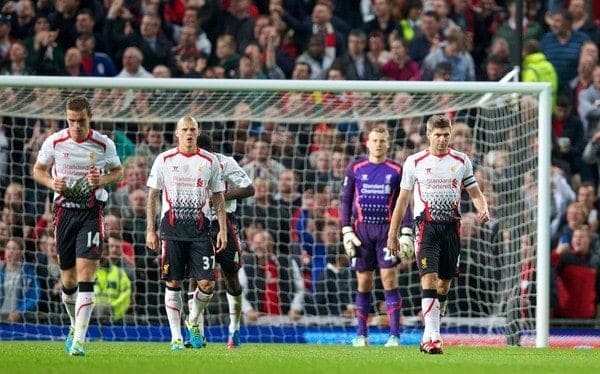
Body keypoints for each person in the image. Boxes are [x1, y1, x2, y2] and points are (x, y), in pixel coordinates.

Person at [387, 114, 490, 354]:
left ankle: (432, 326)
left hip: (452, 228)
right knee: (429, 279)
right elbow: (402, 201)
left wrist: (483, 206)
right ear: (428, 135)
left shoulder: (461, 160)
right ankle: (431, 337)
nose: (442, 139)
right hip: (426, 228)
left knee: (444, 285)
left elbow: (474, 192)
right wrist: (392, 234)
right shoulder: (415, 162)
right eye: (438, 135)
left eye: (446, 135)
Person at [31, 95, 124, 356]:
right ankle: (74, 325)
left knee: (86, 276)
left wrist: (101, 180)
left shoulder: (103, 143)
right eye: (71, 120)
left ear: (89, 118)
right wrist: (52, 183)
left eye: (81, 121)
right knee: (68, 281)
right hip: (63, 214)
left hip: (91, 214)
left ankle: (80, 341)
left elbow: (118, 172)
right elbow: (38, 170)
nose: (76, 126)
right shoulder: (55, 141)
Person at [145, 116, 227, 351]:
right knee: (173, 281)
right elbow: (152, 196)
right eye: (185, 129)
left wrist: (222, 229)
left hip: (201, 230)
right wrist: (150, 230)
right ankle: (175, 338)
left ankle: (192, 321)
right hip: (171, 230)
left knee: (207, 284)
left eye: (192, 129)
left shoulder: (209, 161)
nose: (189, 133)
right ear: (177, 133)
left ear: (197, 132)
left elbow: (218, 196)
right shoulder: (164, 159)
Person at [340, 124, 413, 348]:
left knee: (389, 279)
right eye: (375, 140)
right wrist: (346, 229)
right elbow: (345, 199)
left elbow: (403, 203)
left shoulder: (397, 170)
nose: (378, 144)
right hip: (362, 231)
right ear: (367, 142)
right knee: (364, 281)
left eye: (382, 140)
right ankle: (361, 335)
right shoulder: (355, 167)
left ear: (388, 143)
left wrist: (406, 231)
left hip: (386, 231)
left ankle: (394, 335)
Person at [185, 133, 255, 350]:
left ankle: (234, 329)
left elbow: (249, 188)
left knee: (231, 275)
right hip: (197, 223)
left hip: (224, 223)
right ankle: (196, 332)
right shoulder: (185, 165)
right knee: (196, 277)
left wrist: (221, 196)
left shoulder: (226, 163)